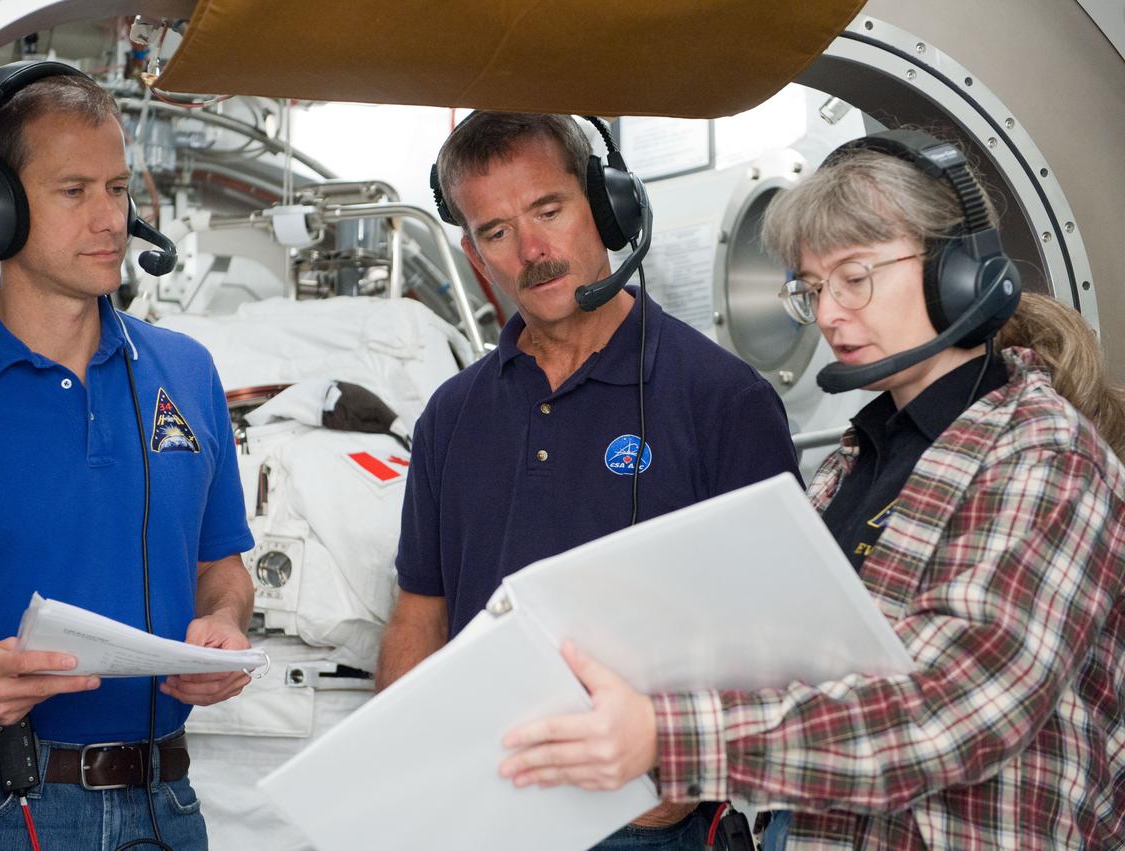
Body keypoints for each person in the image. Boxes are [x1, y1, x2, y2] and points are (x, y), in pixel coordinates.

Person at [497, 131, 1125, 850]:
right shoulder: (853, 464)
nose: (828, 314)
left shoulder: (1042, 455)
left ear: (955, 272)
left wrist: (665, 735)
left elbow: (953, 712)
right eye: (813, 289)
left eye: (854, 278)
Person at [0, 63, 255, 850]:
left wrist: (223, 623)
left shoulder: (187, 372)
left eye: (118, 188)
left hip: (164, 804)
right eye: (74, 191)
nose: (111, 219)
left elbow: (222, 566)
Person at [378, 111, 800, 848]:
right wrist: (403, 786)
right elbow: (420, 613)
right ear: (475, 255)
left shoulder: (723, 400)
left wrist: (675, 786)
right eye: (496, 231)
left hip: (640, 820)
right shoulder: (450, 414)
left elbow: (782, 630)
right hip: (485, 808)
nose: (532, 251)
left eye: (549, 210)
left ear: (607, 207)